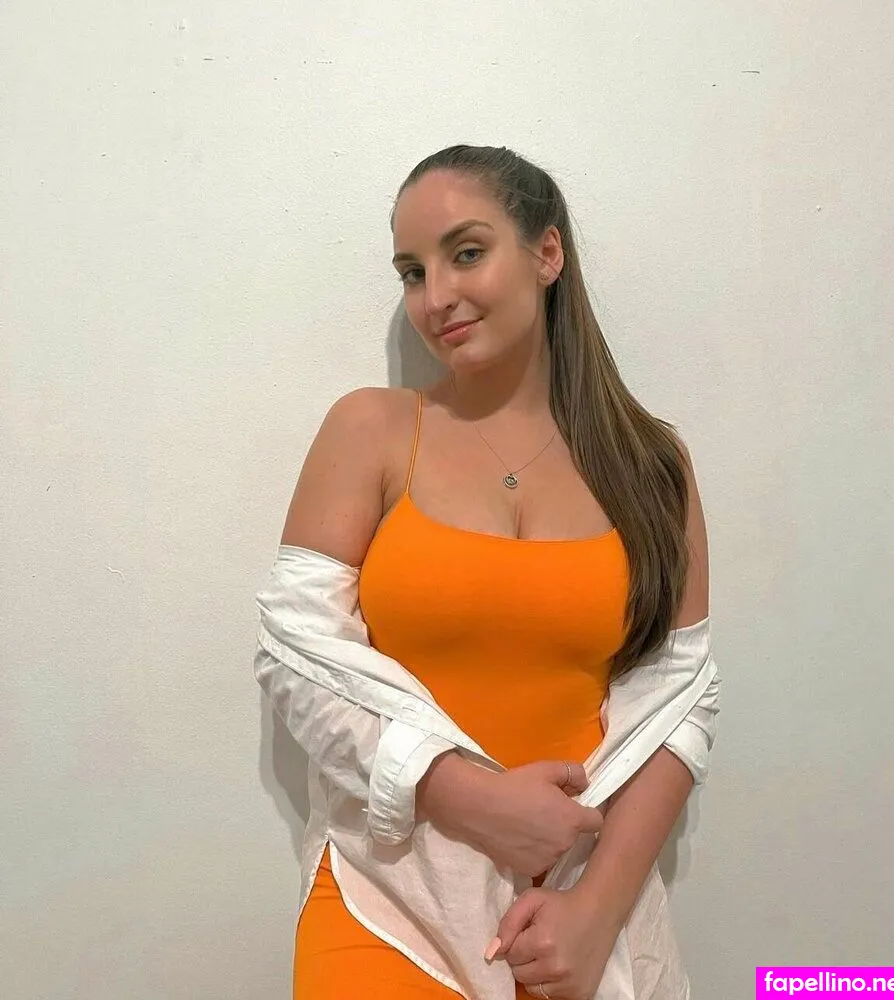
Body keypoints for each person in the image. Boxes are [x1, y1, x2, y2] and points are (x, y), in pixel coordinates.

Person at [257, 144, 718, 1000]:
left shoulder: (651, 465)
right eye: (411, 272)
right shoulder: (373, 430)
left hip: (577, 906)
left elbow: (679, 700)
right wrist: (467, 798)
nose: (435, 296)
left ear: (547, 253)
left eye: (465, 253)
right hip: (391, 896)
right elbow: (295, 657)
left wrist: (594, 912)